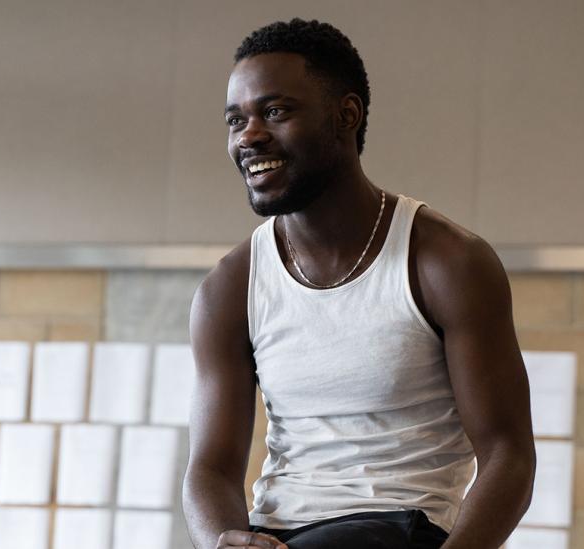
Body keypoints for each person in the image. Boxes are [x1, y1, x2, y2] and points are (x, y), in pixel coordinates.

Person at [182, 18, 536, 549]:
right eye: (237, 120)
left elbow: (510, 456)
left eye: (275, 111)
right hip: (279, 534)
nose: (250, 136)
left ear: (346, 115)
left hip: (401, 526)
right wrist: (223, 540)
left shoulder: (446, 262)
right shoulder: (229, 288)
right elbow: (208, 468)